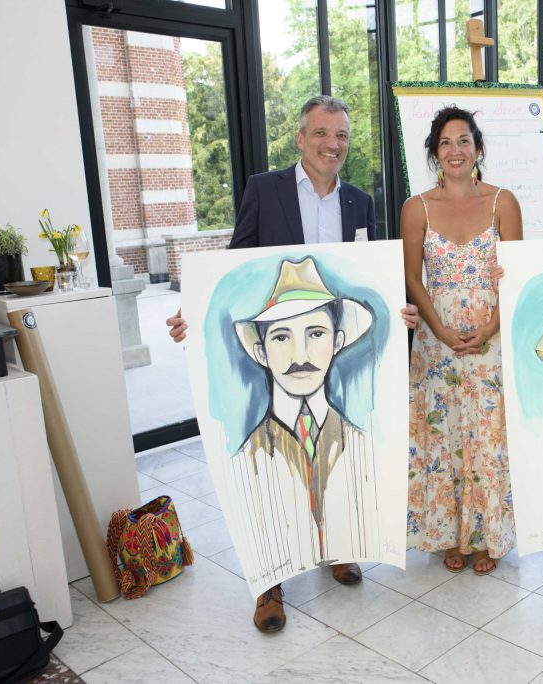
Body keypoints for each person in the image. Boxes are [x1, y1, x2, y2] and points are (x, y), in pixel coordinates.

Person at [165, 95, 418, 631]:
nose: (332, 144)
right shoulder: (265, 189)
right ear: (301, 138)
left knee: (337, 452)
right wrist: (195, 314)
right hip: (277, 351)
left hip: (330, 354)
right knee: (269, 468)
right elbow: (234, 265)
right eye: (322, 133)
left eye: (341, 135)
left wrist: (396, 309)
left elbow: (367, 274)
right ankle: (270, 583)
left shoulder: (358, 201)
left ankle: (338, 546)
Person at [404, 107, 523, 576]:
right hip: (437, 340)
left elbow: (517, 273)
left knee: (487, 433)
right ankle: (449, 534)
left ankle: (487, 534)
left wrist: (490, 328)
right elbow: (411, 278)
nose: (455, 150)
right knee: (444, 432)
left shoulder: (503, 203)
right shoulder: (416, 207)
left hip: (491, 335)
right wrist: (439, 329)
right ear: (435, 152)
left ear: (478, 149)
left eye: (464, 141)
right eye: (446, 142)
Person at [232, 257, 378, 626]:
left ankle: (340, 545)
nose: (300, 356)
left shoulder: (359, 441)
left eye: (315, 333)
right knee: (265, 495)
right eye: (281, 337)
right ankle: (269, 582)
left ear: (338, 341)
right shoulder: (248, 454)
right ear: (261, 351)